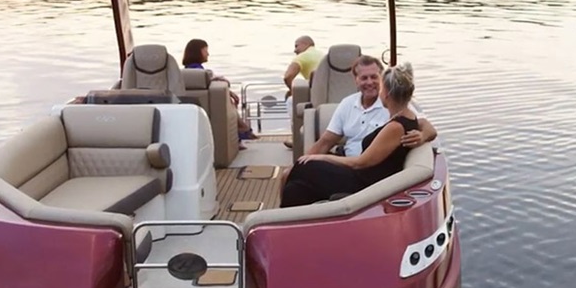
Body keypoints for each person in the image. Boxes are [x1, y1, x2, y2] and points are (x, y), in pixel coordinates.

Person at [279, 55, 438, 189]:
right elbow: (325, 142)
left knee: (302, 176)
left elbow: (428, 128)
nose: (369, 82)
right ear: (355, 80)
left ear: (382, 79)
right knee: (292, 180)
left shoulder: (395, 106)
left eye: (374, 77)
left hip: (364, 172)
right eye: (364, 78)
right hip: (345, 163)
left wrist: (422, 136)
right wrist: (300, 163)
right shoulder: (347, 104)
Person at [182, 39, 258, 145]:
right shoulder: (201, 73)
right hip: (209, 112)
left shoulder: (187, 74)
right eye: (205, 51)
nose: (208, 54)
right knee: (229, 103)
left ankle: (243, 129)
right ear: (198, 52)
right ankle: (243, 129)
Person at [282, 35, 326, 148]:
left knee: (291, 101)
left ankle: (296, 138)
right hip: (326, 95)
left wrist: (291, 91)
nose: (295, 50)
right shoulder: (323, 55)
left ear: (306, 44)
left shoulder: (302, 57)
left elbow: (288, 77)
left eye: (296, 46)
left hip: (314, 95)